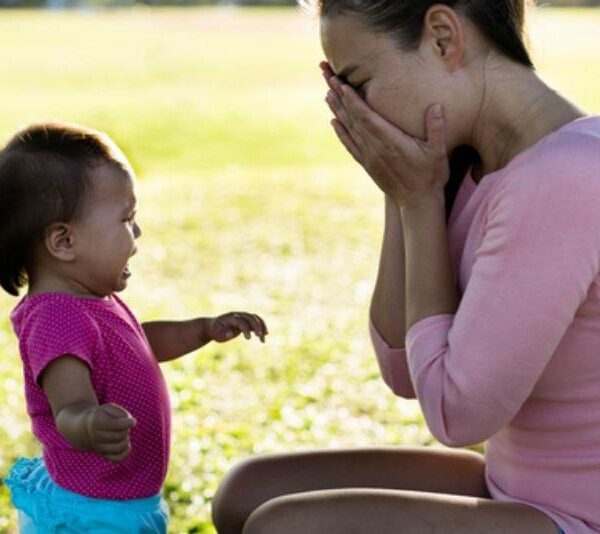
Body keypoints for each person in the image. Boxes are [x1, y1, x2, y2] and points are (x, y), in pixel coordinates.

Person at [211, 1, 600, 533]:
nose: (352, 111)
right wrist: (403, 195)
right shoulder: (474, 164)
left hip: (578, 516)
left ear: (442, 37)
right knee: (245, 493)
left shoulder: (566, 178)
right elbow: (403, 369)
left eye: (358, 83)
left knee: (284, 528)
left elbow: (457, 415)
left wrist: (417, 203)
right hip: (516, 487)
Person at [0, 122, 268, 533]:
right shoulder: (55, 318)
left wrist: (203, 329)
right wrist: (88, 423)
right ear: (64, 242)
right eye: (126, 219)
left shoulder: (88, 302)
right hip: (94, 512)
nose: (137, 234)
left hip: (115, 498)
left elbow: (137, 343)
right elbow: (67, 406)